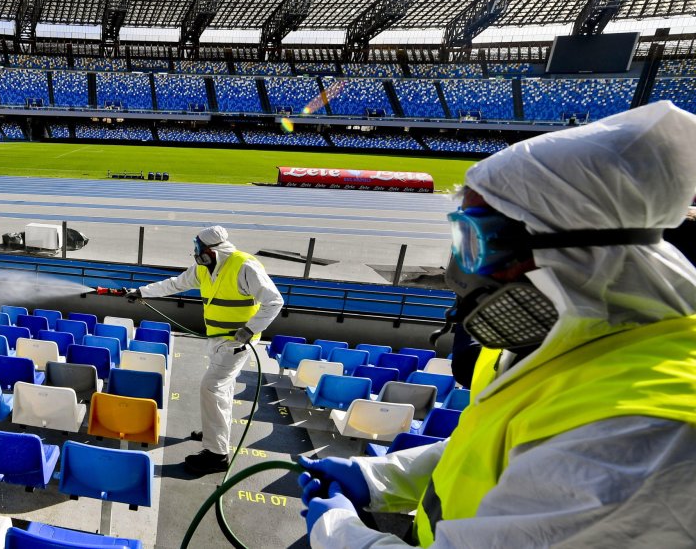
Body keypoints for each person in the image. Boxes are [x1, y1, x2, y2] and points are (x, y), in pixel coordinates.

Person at [300, 101, 696, 547]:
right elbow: (492, 450)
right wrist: (379, 478)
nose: (458, 274)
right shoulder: (554, 347)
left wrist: (337, 534)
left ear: (569, 252)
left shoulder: (646, 433)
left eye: (475, 241)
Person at [127, 225, 283, 475]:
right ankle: (214, 433)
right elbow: (175, 284)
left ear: (211, 250)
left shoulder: (245, 266)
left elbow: (274, 301)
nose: (195, 252)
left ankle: (217, 455)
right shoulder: (203, 268)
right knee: (223, 389)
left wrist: (249, 329)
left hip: (237, 342)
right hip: (216, 339)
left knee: (211, 387)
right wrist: (142, 292)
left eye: (198, 247)